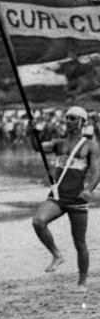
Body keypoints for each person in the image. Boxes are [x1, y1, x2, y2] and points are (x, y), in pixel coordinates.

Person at [29, 106, 100, 290]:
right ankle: (56, 254)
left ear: (82, 122)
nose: (68, 121)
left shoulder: (90, 146)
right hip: (58, 195)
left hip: (77, 197)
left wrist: (89, 190)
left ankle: (82, 281)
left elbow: (96, 170)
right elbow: (38, 146)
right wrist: (32, 132)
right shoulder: (58, 143)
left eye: (73, 118)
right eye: (67, 118)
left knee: (80, 242)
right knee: (38, 221)